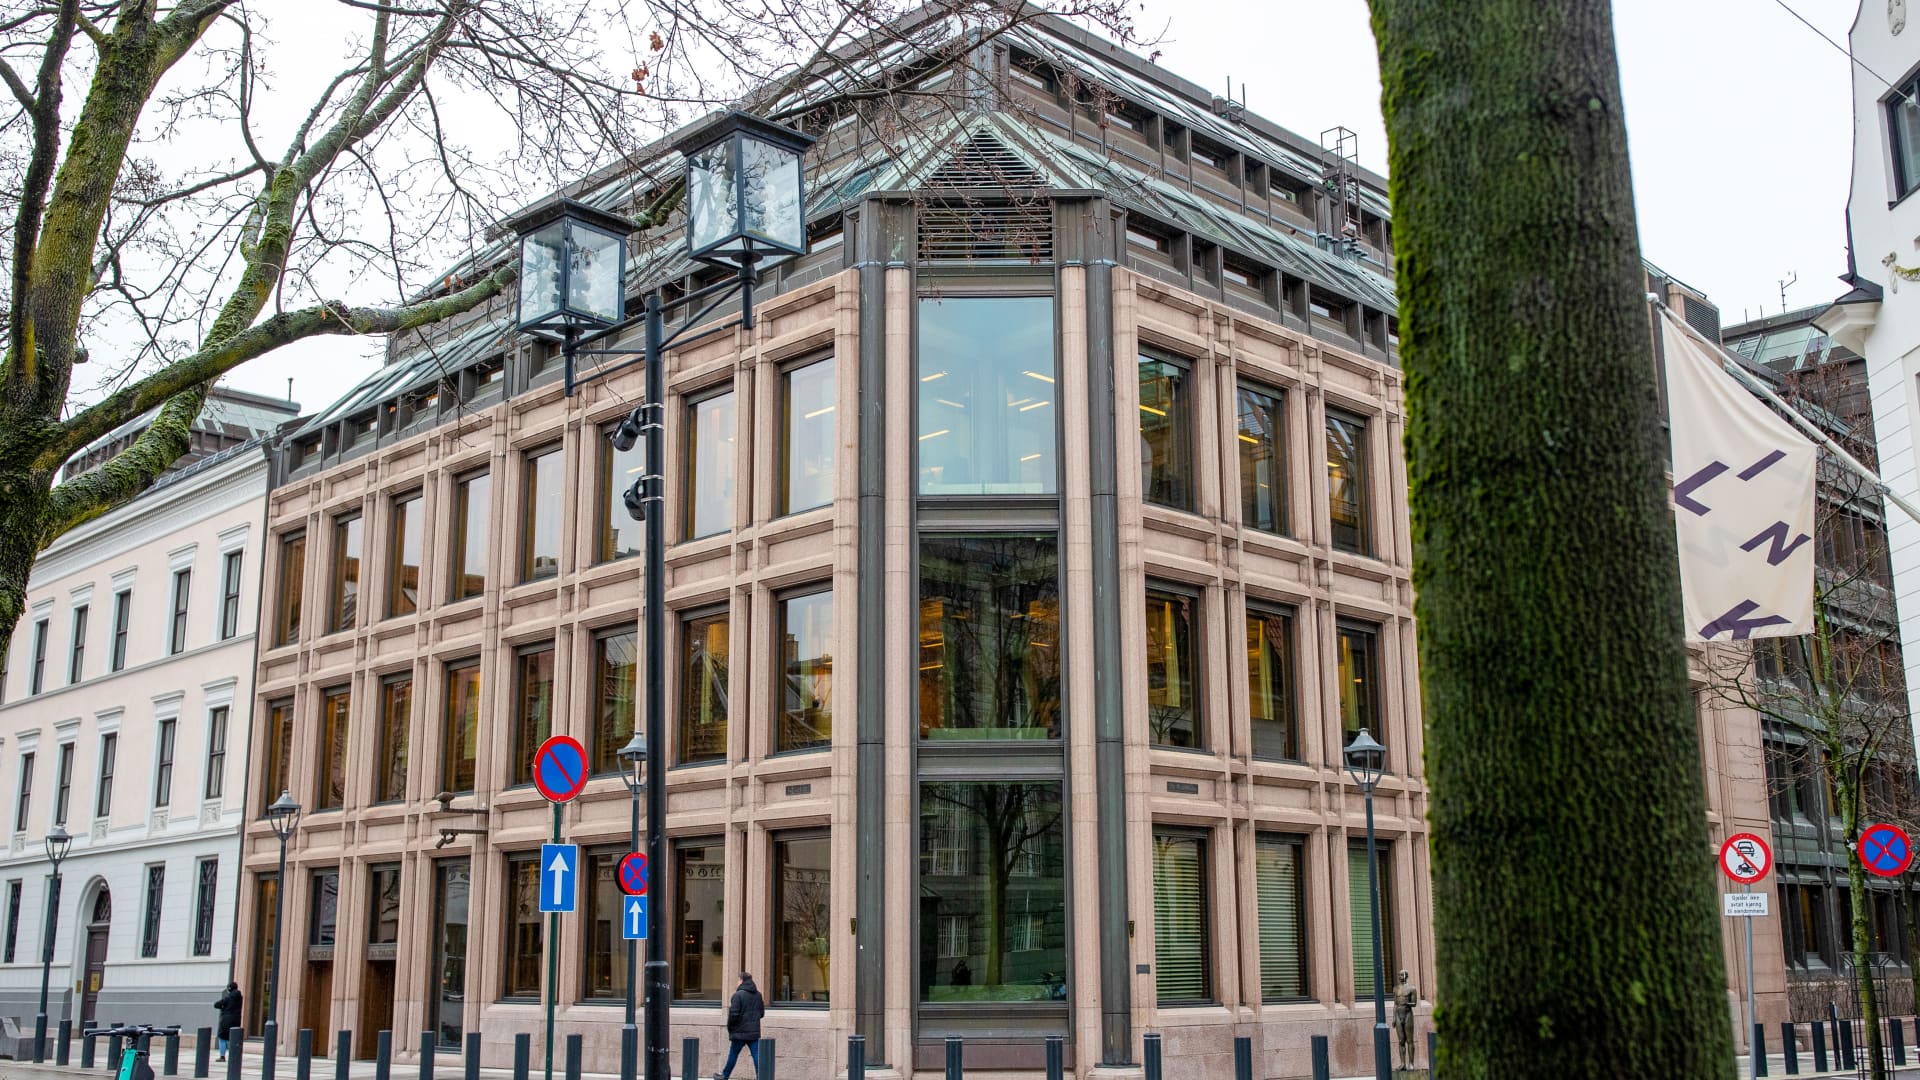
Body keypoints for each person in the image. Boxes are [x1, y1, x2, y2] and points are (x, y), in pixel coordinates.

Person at [715, 972, 764, 1080]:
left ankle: (725, 1075)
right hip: (753, 1032)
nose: (737, 982)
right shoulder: (758, 995)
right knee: (756, 1055)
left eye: (738, 980)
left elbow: (733, 1015)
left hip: (739, 1032)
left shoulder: (738, 995)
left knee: (733, 1055)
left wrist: (731, 1028)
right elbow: (761, 1013)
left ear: (741, 980)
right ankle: (762, 1076)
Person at [1393, 970, 1418, 1070]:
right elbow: (1395, 1004)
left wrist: (1406, 1003)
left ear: (1406, 976)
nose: (1400, 976)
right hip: (1398, 1015)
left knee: (1409, 1040)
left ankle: (1411, 1063)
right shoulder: (1396, 988)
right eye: (1399, 975)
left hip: (1408, 1014)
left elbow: (1414, 1003)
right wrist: (1394, 1018)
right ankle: (1403, 1063)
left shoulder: (1412, 988)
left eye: (1402, 975)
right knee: (1401, 1040)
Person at [214, 982, 243, 1061]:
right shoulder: (240, 997)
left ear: (229, 988)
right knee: (234, 1038)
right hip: (236, 1020)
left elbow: (216, 1004)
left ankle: (222, 1056)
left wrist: (223, 1007)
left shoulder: (228, 997)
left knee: (222, 1038)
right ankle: (234, 1056)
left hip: (226, 1020)